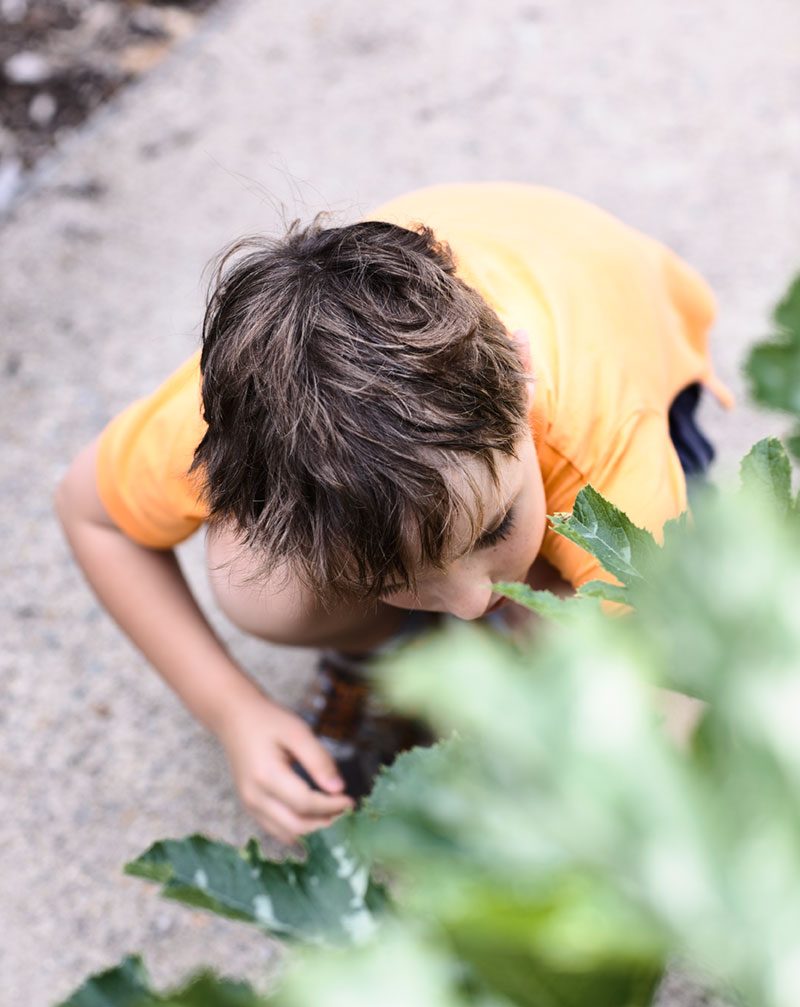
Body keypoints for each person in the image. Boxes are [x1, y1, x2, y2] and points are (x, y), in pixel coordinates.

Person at [55, 182, 734, 847]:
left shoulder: (605, 455)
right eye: (397, 577)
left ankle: (483, 584)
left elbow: (678, 709)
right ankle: (398, 630)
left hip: (630, 349)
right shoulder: (221, 424)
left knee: (622, 656)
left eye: (498, 525)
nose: (472, 603)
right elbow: (91, 514)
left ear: (521, 382)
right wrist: (234, 713)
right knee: (254, 586)